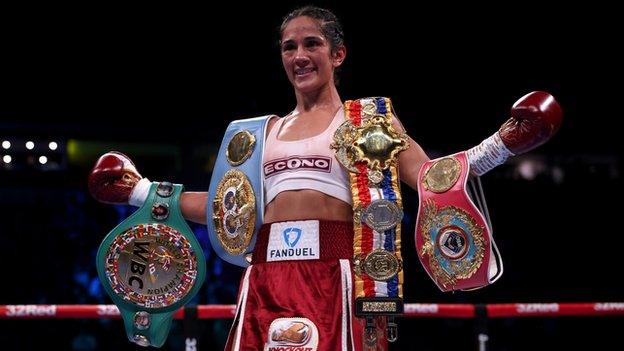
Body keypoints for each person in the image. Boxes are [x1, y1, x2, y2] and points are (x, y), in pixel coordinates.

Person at [88, 6, 562, 351]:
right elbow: (222, 209)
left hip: (337, 274)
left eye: (311, 43)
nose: (299, 54)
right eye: (289, 46)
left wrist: (503, 144)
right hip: (265, 275)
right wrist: (138, 190)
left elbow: (431, 177)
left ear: (337, 54)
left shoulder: (369, 121)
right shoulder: (257, 134)